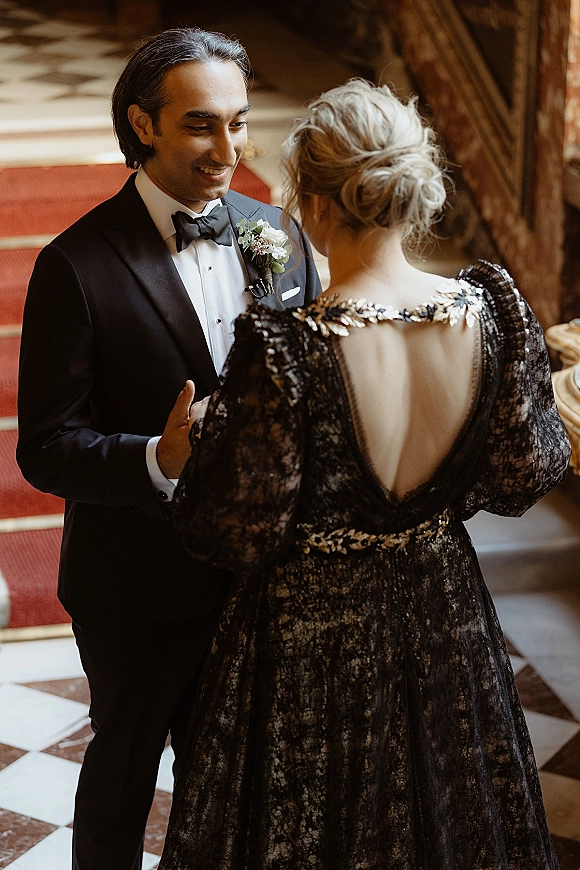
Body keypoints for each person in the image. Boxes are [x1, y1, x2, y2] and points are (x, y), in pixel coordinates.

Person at [158, 79, 570, 869]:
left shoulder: (285, 346)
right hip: (443, 614)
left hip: (308, 643)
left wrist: (206, 447)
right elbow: (526, 473)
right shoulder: (493, 308)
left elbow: (233, 532)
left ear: (310, 203)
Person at [16, 27, 320, 870]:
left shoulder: (279, 238)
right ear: (143, 125)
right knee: (122, 778)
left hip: (260, 575)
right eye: (201, 126)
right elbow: (46, 448)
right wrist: (159, 459)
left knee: (242, 782)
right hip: (138, 585)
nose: (230, 149)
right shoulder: (74, 265)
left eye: (239, 122)